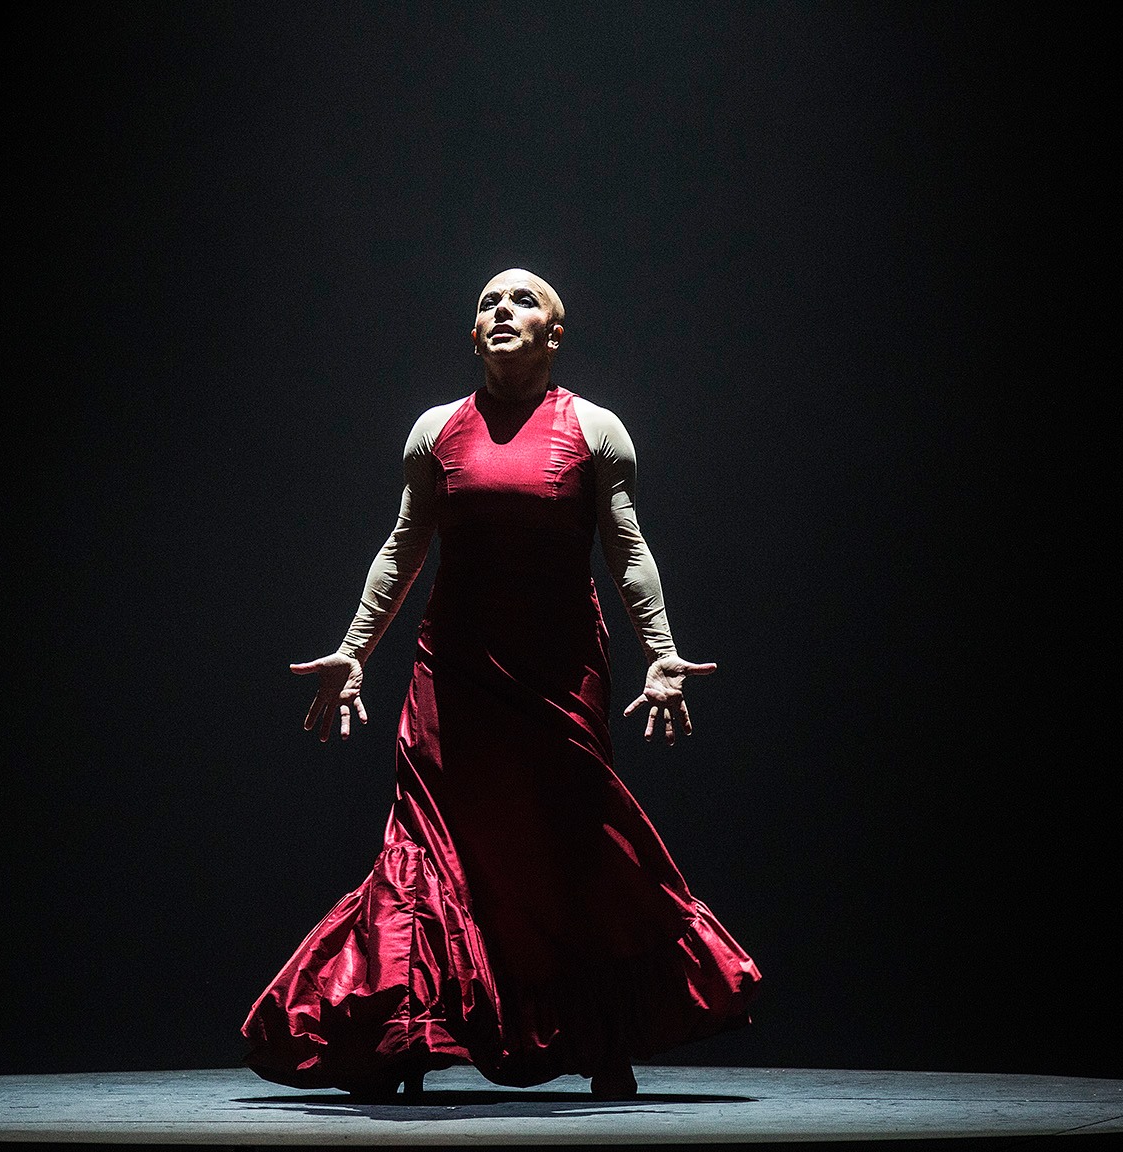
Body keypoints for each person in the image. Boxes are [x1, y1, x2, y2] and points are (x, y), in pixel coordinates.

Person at [241, 270, 760, 1101]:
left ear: (555, 332)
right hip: (451, 676)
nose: (502, 310)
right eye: (488, 303)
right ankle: (407, 1034)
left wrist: (661, 652)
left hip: (558, 674)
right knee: (427, 849)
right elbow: (403, 547)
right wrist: (354, 650)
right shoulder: (436, 429)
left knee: (567, 844)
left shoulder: (595, 428)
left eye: (523, 300)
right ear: (474, 336)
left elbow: (627, 549)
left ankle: (600, 1036)